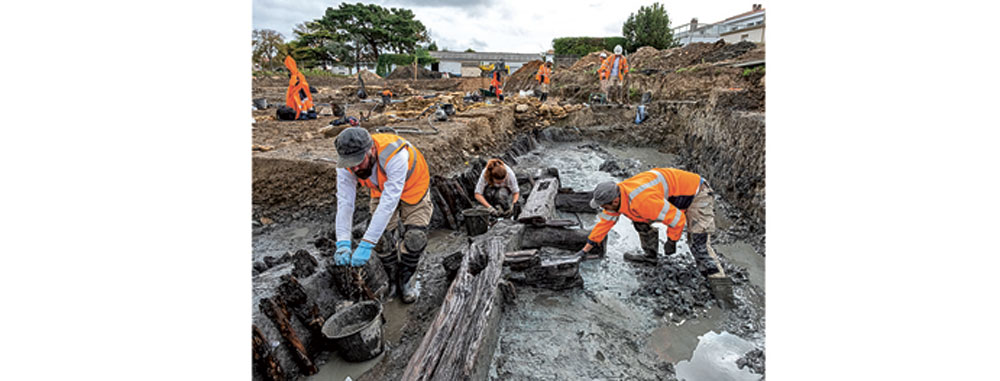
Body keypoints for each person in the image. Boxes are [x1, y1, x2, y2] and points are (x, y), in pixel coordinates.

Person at [333, 127, 433, 304]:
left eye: (359, 161)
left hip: (413, 186)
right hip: (381, 189)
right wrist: (342, 242)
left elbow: (389, 203)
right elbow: (345, 203)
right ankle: (393, 279)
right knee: (382, 241)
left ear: (371, 149)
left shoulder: (395, 155)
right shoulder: (346, 166)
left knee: (415, 238)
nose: (355, 167)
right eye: (350, 163)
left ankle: (406, 279)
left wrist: (366, 244)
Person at [575, 168, 723, 278]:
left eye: (604, 206)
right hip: (670, 197)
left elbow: (678, 219)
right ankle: (650, 256)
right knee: (639, 220)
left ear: (614, 201)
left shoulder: (642, 201)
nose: (602, 209)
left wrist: (672, 241)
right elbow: (603, 226)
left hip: (697, 193)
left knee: (699, 243)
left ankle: (720, 286)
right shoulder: (619, 196)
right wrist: (585, 250)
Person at [283, 56, 316, 120]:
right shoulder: (298, 74)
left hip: (299, 91)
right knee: (306, 100)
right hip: (303, 90)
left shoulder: (295, 75)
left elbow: (293, 84)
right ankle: (311, 112)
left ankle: (304, 113)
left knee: (302, 101)